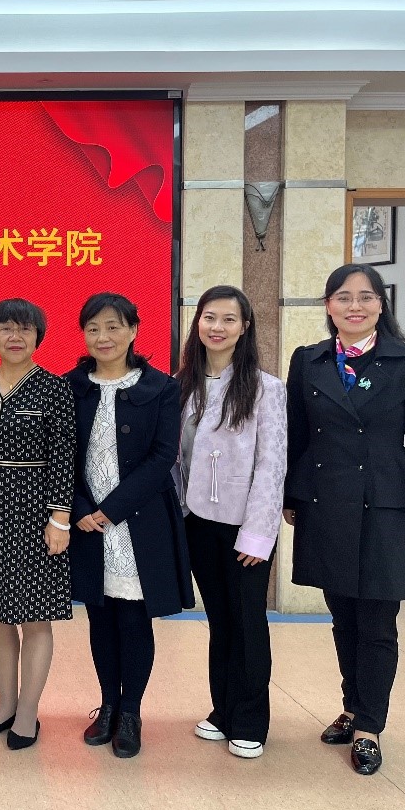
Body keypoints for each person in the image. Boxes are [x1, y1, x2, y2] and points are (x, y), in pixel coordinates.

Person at [284, 263, 405, 776]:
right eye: (343, 297)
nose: (354, 306)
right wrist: (290, 495)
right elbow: (295, 436)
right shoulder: (308, 360)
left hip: (387, 504)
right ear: (328, 305)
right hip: (325, 501)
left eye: (365, 297)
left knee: (377, 621)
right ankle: (353, 706)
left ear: (380, 303)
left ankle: (369, 727)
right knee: (343, 617)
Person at [66, 292, 192, 759]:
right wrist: (81, 507)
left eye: (114, 326)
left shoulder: (161, 387)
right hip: (87, 523)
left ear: (134, 330)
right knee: (100, 618)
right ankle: (107, 706)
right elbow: (60, 454)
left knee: (135, 620)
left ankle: (131, 713)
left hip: (138, 522)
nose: (104, 336)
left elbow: (163, 457)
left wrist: (110, 510)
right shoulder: (71, 386)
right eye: (94, 328)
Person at [0, 298, 76, 751]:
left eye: (25, 329)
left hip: (35, 514)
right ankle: (5, 704)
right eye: (6, 328)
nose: (15, 336)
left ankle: (28, 712)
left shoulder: (54, 389)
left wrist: (59, 518)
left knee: (35, 616)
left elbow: (64, 456)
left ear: (38, 336)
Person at [176, 285, 286, 759]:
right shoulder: (182, 383)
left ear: (245, 327)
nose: (216, 327)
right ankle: (223, 709)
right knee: (219, 620)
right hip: (197, 520)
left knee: (248, 621)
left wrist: (258, 535)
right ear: (197, 323)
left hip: (245, 527)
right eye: (208, 317)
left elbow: (272, 465)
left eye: (228, 319)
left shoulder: (266, 388)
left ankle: (251, 719)